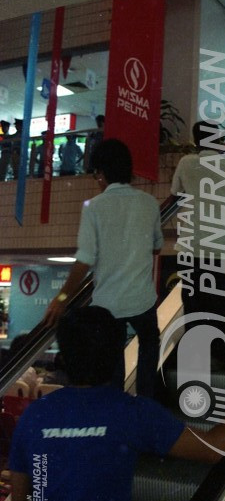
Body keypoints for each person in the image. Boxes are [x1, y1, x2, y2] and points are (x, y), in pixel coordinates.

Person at [8, 306, 225, 501]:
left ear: (64, 357)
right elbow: (214, 448)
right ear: (116, 353)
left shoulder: (34, 417)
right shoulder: (132, 413)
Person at [43, 139, 162, 398]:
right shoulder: (150, 203)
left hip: (108, 305)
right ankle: (147, 400)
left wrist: (62, 299)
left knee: (112, 358)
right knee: (150, 341)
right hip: (142, 300)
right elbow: (156, 247)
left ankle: (115, 405)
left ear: (101, 173)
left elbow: (85, 260)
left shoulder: (94, 207)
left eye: (96, 174)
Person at [170, 120, 225, 327]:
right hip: (221, 249)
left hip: (191, 247)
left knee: (192, 304)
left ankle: (193, 345)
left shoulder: (186, 163)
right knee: (218, 305)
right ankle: (216, 345)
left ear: (196, 141)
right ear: (218, 140)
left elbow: (175, 194)